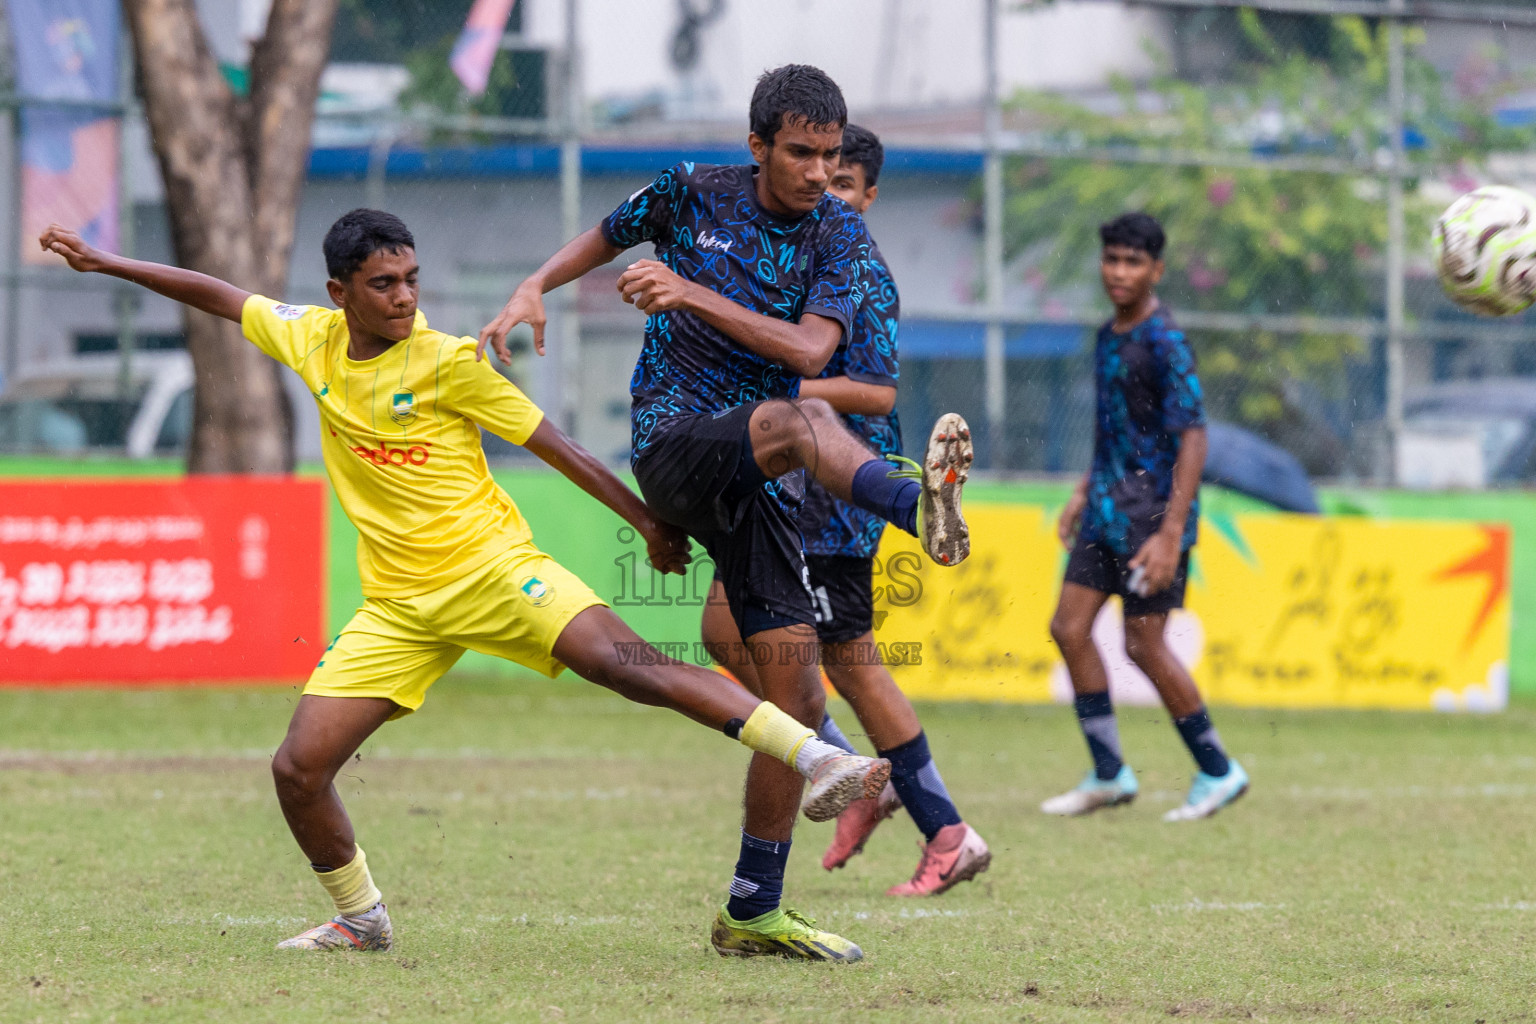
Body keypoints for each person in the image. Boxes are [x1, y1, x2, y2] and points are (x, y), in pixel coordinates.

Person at [38, 210, 894, 956]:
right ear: (341, 293)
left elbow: (559, 447)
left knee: (627, 665)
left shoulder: (451, 362)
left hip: (496, 574)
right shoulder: (307, 336)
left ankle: (819, 756)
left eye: (411, 279)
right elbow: (219, 294)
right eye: (384, 284)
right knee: (298, 769)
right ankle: (359, 919)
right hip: (400, 608)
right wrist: (109, 264)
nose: (405, 297)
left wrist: (649, 524)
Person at [477, 65, 973, 960]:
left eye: (830, 154)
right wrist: (530, 289)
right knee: (801, 418)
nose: (820, 171)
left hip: (760, 478)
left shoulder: (841, 238)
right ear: (757, 147)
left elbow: (811, 347)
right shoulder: (691, 192)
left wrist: (691, 292)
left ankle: (752, 910)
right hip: (674, 446)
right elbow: (603, 234)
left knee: (795, 701)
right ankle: (914, 504)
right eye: (801, 153)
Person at [700, 124, 989, 896]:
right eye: (817, 177)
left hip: (834, 502)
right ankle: (852, 768)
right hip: (782, 489)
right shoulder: (792, 260)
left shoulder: (860, 272)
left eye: (843, 184)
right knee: (724, 631)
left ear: (867, 194)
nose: (826, 192)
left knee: (850, 662)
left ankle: (945, 829)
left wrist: (784, 388)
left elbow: (877, 392)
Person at [1042, 211, 1249, 822]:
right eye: (1112, 258)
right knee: (1068, 628)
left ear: (1156, 270)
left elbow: (1193, 438)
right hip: (1105, 510)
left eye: (1134, 261)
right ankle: (1109, 773)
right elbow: (1118, 430)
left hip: (1149, 521)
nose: (1119, 271)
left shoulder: (1165, 339)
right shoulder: (1109, 334)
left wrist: (1168, 534)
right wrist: (1083, 490)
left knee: (1144, 644)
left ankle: (1218, 769)